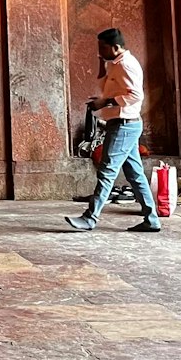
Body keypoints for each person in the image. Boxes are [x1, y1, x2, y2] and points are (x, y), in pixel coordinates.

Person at [65, 28, 161, 233]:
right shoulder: (115, 64)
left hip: (124, 125)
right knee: (135, 175)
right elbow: (106, 87)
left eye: (103, 48)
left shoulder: (127, 65)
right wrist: (102, 66)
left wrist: (105, 102)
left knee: (107, 171)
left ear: (116, 47)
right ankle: (152, 219)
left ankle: (90, 218)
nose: (100, 51)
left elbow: (136, 95)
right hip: (122, 124)